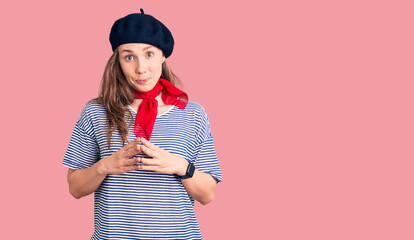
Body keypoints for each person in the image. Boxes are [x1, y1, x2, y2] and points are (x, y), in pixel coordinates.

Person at [63, 9, 222, 240]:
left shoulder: (192, 113)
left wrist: (179, 165)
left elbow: (207, 195)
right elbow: (75, 189)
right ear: (117, 60)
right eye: (129, 57)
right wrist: (105, 166)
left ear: (163, 55)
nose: (140, 68)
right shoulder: (96, 111)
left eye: (149, 54)